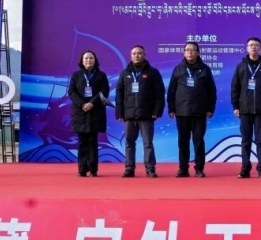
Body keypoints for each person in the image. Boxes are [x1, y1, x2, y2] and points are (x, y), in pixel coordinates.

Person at [167, 41, 217, 178]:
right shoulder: (178, 69)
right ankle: (183, 168)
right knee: (183, 142)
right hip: (182, 112)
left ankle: (199, 168)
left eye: (193, 50)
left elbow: (212, 91)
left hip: (199, 112)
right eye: (187, 50)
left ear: (198, 53)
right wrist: (171, 108)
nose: (190, 52)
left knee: (198, 141)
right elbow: (171, 90)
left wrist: (210, 108)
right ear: (184, 53)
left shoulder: (205, 69)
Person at [230, 37, 261, 178]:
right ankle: (245, 168)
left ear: (260, 48)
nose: (254, 47)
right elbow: (235, 88)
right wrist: (235, 106)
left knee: (260, 140)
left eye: (256, 45)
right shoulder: (241, 66)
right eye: (251, 45)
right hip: (244, 110)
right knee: (245, 141)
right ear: (247, 48)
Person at [116, 45, 165, 178]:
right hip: (129, 114)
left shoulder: (153, 72)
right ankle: (129, 168)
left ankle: (150, 168)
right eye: (134, 53)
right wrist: (119, 112)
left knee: (147, 143)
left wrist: (157, 111)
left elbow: (159, 93)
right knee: (129, 142)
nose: (136, 56)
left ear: (144, 55)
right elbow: (119, 94)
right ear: (130, 56)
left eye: (139, 53)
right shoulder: (125, 73)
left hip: (147, 114)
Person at [67, 51, 111, 177]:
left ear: (95, 60)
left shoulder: (101, 75)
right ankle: (82, 169)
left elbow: (104, 92)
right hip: (80, 112)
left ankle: (93, 170)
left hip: (95, 111)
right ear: (82, 60)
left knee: (93, 142)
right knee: (82, 142)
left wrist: (91, 103)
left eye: (91, 58)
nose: (88, 60)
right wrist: (82, 104)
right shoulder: (76, 75)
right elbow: (71, 92)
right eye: (86, 58)